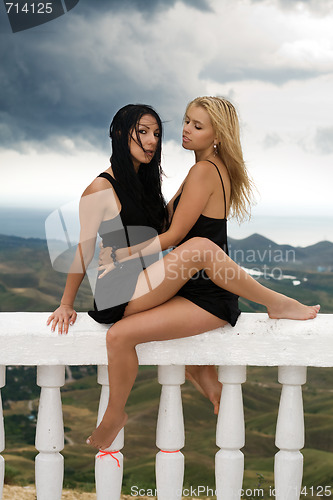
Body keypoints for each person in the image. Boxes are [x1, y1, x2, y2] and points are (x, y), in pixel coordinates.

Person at [47, 97, 320, 451]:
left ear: (216, 135)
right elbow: (84, 250)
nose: (154, 140)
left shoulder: (165, 179)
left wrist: (130, 249)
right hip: (122, 289)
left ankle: (211, 411)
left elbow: (169, 231)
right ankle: (275, 303)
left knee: (127, 337)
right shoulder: (100, 188)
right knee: (201, 249)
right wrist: (66, 303)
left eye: (157, 133)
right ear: (118, 133)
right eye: (143, 132)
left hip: (166, 286)